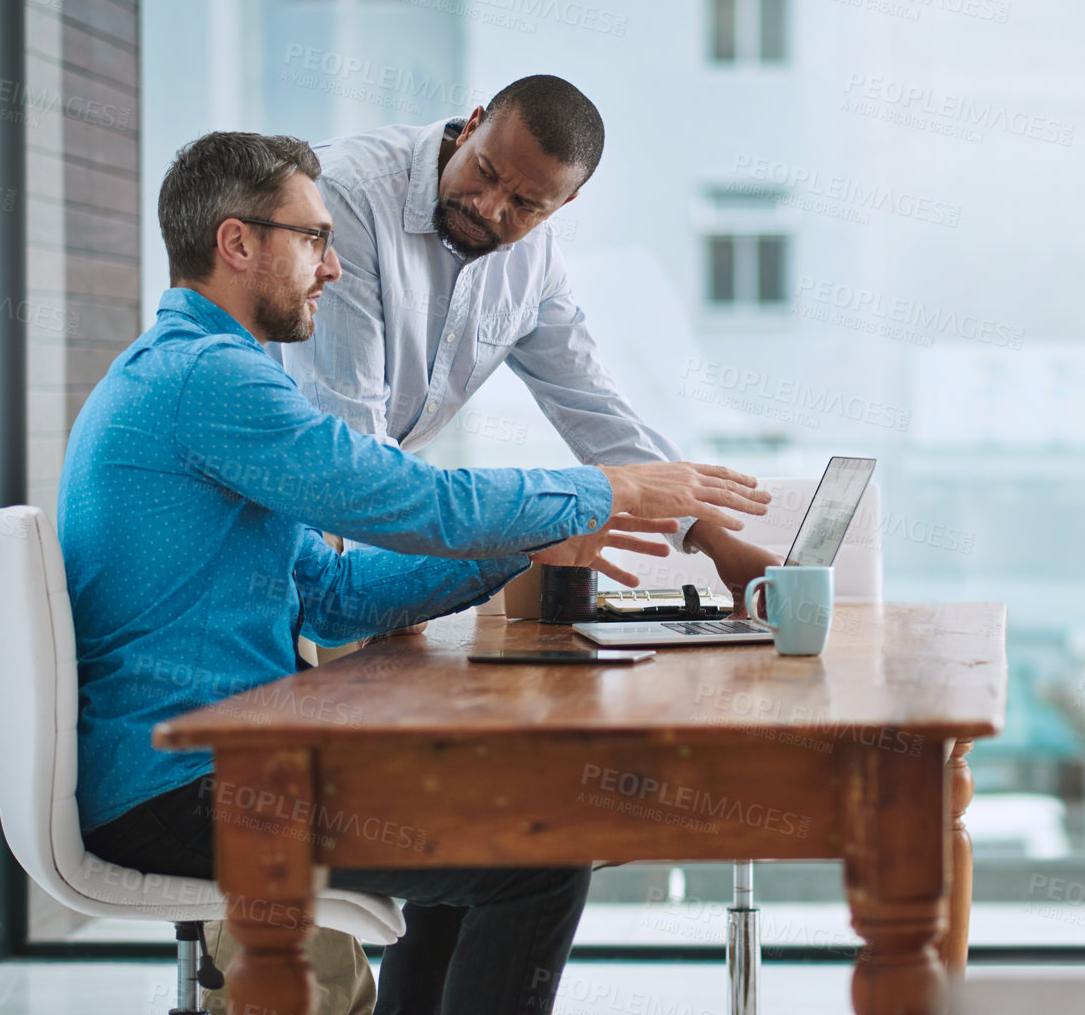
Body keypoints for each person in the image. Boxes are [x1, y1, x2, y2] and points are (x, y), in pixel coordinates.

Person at [63, 131, 769, 1015]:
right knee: (537, 856)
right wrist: (600, 489)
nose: (333, 268)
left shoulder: (205, 371)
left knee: (504, 829)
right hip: (182, 786)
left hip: (210, 767)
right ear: (238, 243)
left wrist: (531, 542)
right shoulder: (210, 380)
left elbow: (336, 595)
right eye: (314, 240)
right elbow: (406, 499)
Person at [272, 74, 780, 610]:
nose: (489, 209)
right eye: (485, 172)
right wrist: (531, 528)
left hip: (374, 513)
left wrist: (722, 546)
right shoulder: (349, 195)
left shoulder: (535, 261)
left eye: (526, 204)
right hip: (285, 509)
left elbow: (593, 407)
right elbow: (353, 441)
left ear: (563, 204)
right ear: (471, 127)